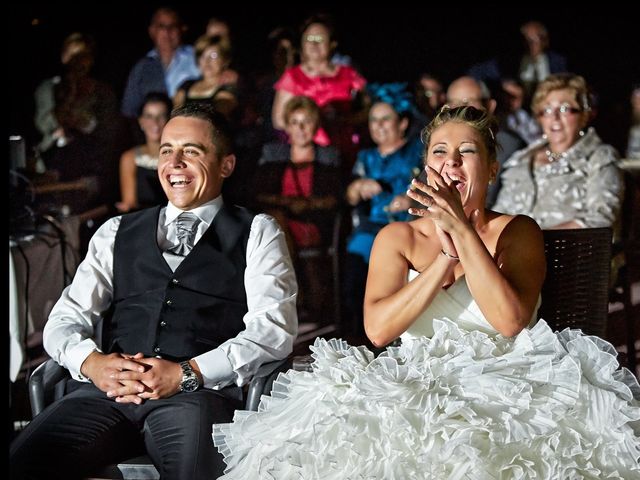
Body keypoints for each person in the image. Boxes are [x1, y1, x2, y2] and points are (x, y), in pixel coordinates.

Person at [212, 106, 640, 478]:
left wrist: (462, 232)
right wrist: (444, 260)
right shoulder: (397, 238)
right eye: (440, 152)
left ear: (491, 168)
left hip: (508, 383)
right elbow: (378, 331)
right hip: (415, 380)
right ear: (426, 168)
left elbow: (511, 322)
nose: (452, 162)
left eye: (467, 152)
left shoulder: (517, 231)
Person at [10, 103, 298, 479]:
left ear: (226, 165)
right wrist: (94, 365)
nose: (175, 162)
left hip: (196, 398)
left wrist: (188, 373)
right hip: (107, 394)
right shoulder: (116, 231)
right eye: (166, 150)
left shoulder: (258, 231)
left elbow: (273, 331)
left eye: (191, 151)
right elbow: (64, 320)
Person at [493, 73, 624, 234]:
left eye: (564, 109)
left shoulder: (599, 158)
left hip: (574, 255)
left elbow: (601, 217)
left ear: (584, 115)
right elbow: (499, 216)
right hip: (514, 255)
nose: (554, 117)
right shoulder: (520, 161)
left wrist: (537, 241)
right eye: (546, 110)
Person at [249, 96, 342, 322]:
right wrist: (287, 204)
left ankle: (295, 300)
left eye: (306, 122)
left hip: (314, 222)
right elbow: (256, 194)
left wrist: (309, 205)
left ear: (315, 124)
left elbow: (336, 198)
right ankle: (295, 300)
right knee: (274, 221)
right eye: (295, 122)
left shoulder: (328, 156)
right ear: (287, 126)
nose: (300, 129)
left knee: (275, 228)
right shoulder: (273, 154)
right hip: (280, 220)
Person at [343, 82, 423, 334]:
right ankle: (358, 334)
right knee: (355, 273)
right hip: (371, 228)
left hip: (408, 227)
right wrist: (357, 188)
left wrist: (411, 200)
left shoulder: (417, 153)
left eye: (385, 119)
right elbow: (349, 197)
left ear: (403, 123)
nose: (378, 125)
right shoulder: (366, 157)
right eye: (373, 120)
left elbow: (430, 189)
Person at [271, 13, 367, 168]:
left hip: (344, 147)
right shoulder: (293, 76)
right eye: (309, 39)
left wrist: (343, 118)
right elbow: (279, 120)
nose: (314, 44)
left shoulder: (349, 74)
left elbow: (368, 109)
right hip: (306, 153)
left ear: (332, 43)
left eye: (320, 39)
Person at [444, 76, 526, 207]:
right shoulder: (438, 144)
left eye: (468, 101)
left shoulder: (509, 146)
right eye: (454, 102)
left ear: (489, 106)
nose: (460, 109)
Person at [121, 7, 199, 120]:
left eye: (172, 26)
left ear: (182, 29)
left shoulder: (197, 58)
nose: (167, 32)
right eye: (161, 26)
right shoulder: (142, 67)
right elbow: (128, 110)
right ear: (152, 31)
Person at [115, 92, 172, 213]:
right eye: (149, 116)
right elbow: (129, 203)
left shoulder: (178, 156)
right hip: (145, 222)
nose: (155, 122)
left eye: (161, 116)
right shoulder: (130, 158)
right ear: (141, 121)